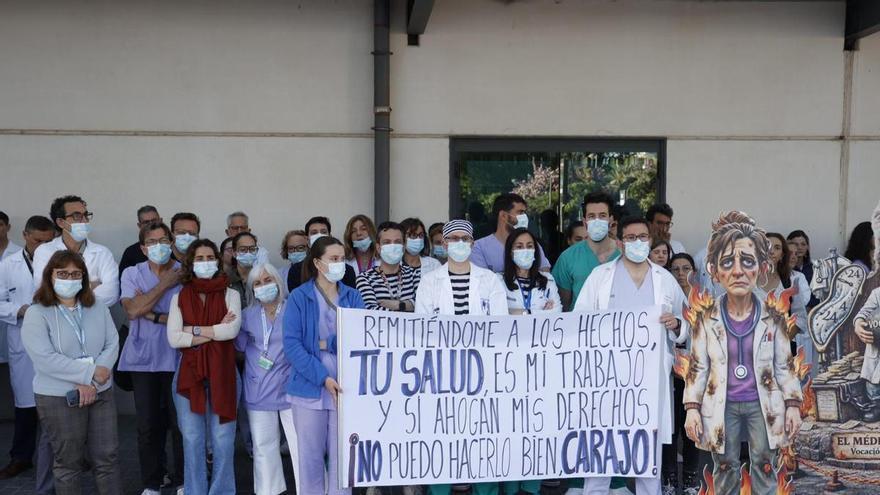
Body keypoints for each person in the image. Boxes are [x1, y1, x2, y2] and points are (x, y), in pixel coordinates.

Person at [684, 212, 803, 495]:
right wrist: (692, 409)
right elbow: (698, 367)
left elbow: (784, 365)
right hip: (722, 404)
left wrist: (793, 404)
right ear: (714, 270)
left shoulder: (774, 315)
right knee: (724, 467)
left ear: (761, 267)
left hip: (762, 405)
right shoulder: (706, 318)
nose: (737, 271)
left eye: (747, 261)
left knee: (764, 464)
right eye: (727, 262)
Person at [574, 216, 688, 495]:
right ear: (621, 243)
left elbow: (687, 321)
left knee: (647, 456)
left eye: (643, 237)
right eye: (631, 238)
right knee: (601, 450)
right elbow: (578, 324)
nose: (638, 242)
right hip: (607, 378)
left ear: (651, 241)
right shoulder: (600, 277)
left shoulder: (665, 279)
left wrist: (677, 325)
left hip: (650, 381)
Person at [415, 220, 506, 495]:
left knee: (483, 432)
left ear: (473, 244)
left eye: (464, 239)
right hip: (443, 370)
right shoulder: (430, 282)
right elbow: (423, 328)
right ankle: (441, 488)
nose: (459, 244)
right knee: (442, 432)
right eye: (453, 239)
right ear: (444, 245)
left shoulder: (490, 280)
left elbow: (500, 326)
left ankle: (485, 489)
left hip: (483, 369)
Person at [21, 250, 121, 494]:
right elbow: (45, 359)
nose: (70, 278)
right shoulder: (37, 312)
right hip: (59, 397)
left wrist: (96, 378)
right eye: (62, 273)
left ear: (84, 278)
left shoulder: (97, 306)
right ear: (50, 276)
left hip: (101, 391)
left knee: (107, 459)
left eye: (76, 274)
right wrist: (88, 375)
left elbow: (112, 343)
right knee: (68, 463)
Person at [283, 236, 365, 495]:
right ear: (318, 263)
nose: (339, 264)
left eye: (342, 259)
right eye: (334, 259)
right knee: (310, 461)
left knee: (344, 461)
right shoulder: (298, 297)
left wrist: (325, 342)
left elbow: (361, 338)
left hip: (346, 388)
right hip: (310, 389)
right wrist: (323, 378)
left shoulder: (353, 297)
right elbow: (293, 346)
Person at [166, 239, 242, 495]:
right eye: (200, 258)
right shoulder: (179, 297)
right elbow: (174, 338)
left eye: (210, 257)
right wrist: (214, 330)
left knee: (223, 440)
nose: (205, 262)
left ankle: (221, 491)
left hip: (224, 374)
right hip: (189, 374)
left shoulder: (231, 294)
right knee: (193, 440)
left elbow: (231, 330)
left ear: (218, 262)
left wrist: (194, 330)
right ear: (191, 263)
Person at [118, 221, 184, 495]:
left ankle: (182, 479)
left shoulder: (185, 272)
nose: (160, 247)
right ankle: (152, 482)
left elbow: (189, 317)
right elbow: (131, 310)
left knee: (181, 423)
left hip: (177, 357)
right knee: (147, 425)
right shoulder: (133, 273)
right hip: (142, 359)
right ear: (144, 248)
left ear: (171, 243)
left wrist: (150, 312)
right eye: (153, 242)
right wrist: (165, 285)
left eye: (164, 241)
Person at [0, 216, 55, 487]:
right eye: (37, 242)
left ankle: (69, 455)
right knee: (25, 403)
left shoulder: (59, 261)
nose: (42, 247)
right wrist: (17, 310)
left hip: (54, 342)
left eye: (48, 242)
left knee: (58, 402)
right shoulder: (7, 265)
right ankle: (21, 456)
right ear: (25, 235)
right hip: (21, 337)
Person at [236, 263, 299, 495]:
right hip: (258, 388)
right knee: (263, 446)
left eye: (268, 280)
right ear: (252, 289)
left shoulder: (295, 309)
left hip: (292, 387)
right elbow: (239, 347)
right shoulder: (247, 316)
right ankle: (268, 491)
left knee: (300, 444)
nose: (264, 286)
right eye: (258, 283)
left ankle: (311, 488)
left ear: (278, 283)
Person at [33, 195, 119, 307]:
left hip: (92, 320)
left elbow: (111, 293)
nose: (84, 220)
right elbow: (45, 291)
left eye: (86, 215)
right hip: (57, 319)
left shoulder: (103, 252)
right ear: (60, 222)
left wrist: (66, 289)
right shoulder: (45, 251)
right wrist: (90, 285)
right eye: (77, 216)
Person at [665, 252, 704, 494]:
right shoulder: (663, 297)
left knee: (693, 428)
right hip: (667, 371)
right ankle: (668, 480)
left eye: (685, 268)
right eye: (675, 269)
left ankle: (691, 480)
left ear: (694, 272)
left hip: (695, 373)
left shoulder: (704, 300)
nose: (680, 274)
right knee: (669, 425)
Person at [552, 192, 620, 311]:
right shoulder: (568, 258)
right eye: (591, 216)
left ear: (611, 220)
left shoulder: (624, 254)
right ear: (584, 222)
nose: (597, 220)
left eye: (602, 215)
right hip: (580, 327)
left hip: (617, 327)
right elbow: (562, 306)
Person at [471, 193, 550, 273]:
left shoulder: (532, 245)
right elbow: (482, 281)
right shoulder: (479, 248)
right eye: (520, 212)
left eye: (524, 213)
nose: (524, 217)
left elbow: (545, 274)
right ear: (503, 215)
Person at [356, 221, 419, 312]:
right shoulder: (365, 278)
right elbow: (371, 311)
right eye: (387, 242)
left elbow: (422, 305)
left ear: (404, 246)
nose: (392, 246)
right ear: (378, 248)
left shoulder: (414, 274)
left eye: (397, 242)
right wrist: (408, 305)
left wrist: (398, 305)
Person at [501, 227, 562, 316]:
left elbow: (557, 312)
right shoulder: (499, 280)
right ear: (510, 252)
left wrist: (525, 312)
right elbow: (498, 313)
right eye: (519, 246)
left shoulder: (548, 279)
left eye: (529, 246)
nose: (525, 250)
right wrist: (542, 313)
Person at [287, 217, 357, 291]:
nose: (319, 235)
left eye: (323, 232)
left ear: (330, 236)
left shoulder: (347, 270)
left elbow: (350, 298)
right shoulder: (296, 270)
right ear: (307, 240)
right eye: (314, 233)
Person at [761, 233, 808, 339]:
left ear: (782, 255)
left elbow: (800, 317)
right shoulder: (747, 281)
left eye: (777, 248)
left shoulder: (790, 282)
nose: (771, 251)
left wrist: (785, 338)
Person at [118, 206, 161, 278]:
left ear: (161, 221)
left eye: (154, 221)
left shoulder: (172, 248)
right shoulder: (130, 252)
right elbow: (123, 282)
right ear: (139, 225)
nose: (151, 225)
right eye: (146, 222)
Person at [786, 230, 818, 308]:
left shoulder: (815, 268)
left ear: (808, 247)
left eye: (803, 244)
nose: (800, 247)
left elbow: (819, 295)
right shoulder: (784, 270)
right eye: (796, 244)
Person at [229, 232, 259, 309]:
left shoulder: (263, 277)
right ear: (234, 253)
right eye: (243, 250)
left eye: (252, 249)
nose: (248, 253)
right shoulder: (226, 280)